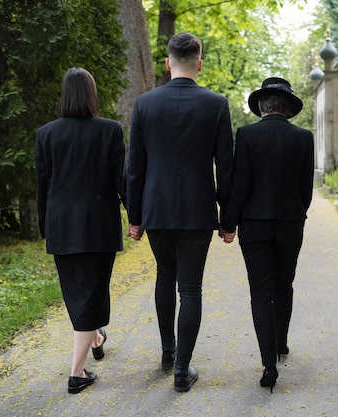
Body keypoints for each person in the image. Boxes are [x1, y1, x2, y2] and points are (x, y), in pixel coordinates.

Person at [126, 32, 234, 393]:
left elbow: (134, 168)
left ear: (168, 63)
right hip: (198, 210)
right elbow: (226, 167)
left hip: (156, 209)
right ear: (199, 64)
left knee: (164, 276)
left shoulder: (144, 104)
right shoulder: (216, 104)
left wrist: (135, 217)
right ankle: (182, 369)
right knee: (191, 287)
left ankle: (168, 353)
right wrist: (228, 218)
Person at [35, 67, 126, 394]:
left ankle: (96, 337)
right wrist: (137, 217)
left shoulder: (46, 133)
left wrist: (44, 225)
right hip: (99, 226)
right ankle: (77, 373)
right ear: (91, 94)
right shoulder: (110, 130)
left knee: (77, 292)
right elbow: (121, 179)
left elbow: (42, 186)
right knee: (92, 292)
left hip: (61, 226)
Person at [222, 77, 314, 393]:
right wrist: (297, 213)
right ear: (287, 108)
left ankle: (269, 364)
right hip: (290, 223)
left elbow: (241, 184)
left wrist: (228, 222)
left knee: (260, 292)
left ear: (262, 106)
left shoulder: (246, 135)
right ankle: (281, 342)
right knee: (284, 283)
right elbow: (306, 190)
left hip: (255, 225)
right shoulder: (304, 137)